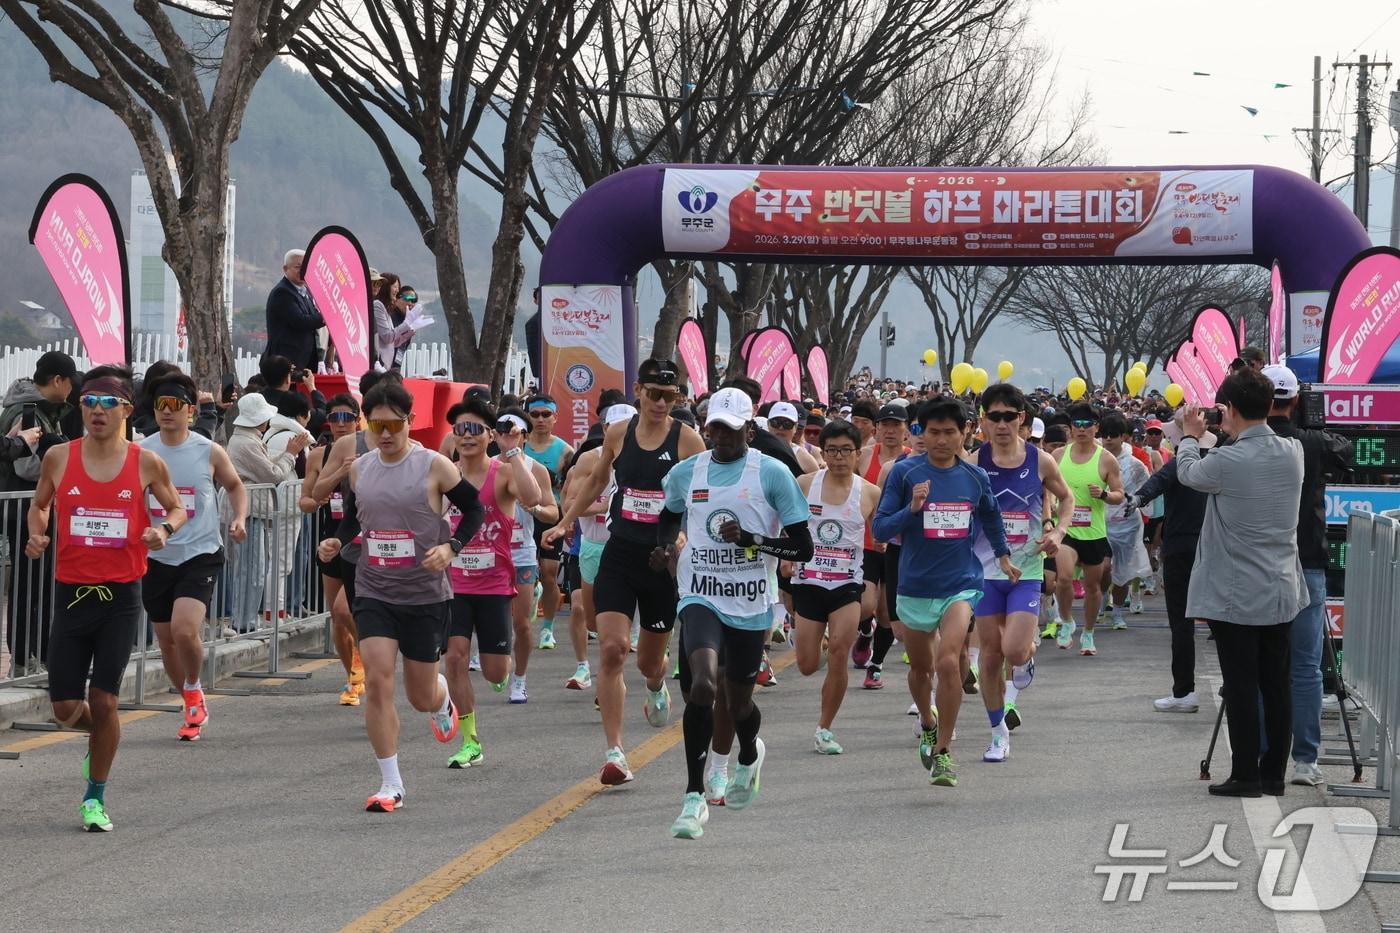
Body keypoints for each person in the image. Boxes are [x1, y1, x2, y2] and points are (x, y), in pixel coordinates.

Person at [27, 366, 188, 831]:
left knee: (105, 701)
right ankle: (100, 742)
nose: (96, 412)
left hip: (120, 596)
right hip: (71, 594)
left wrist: (163, 529)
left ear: (125, 410)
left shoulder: (145, 462)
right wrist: (37, 534)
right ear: (80, 407)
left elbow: (176, 506)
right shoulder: (59, 457)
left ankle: (94, 796)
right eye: (89, 402)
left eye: (107, 403)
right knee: (64, 709)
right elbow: (39, 505)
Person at [318, 376, 486, 811]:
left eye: (395, 425)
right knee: (377, 678)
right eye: (377, 427)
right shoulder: (360, 468)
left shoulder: (434, 466)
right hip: (374, 589)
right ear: (367, 426)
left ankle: (442, 697)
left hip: (425, 594)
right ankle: (390, 782)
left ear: (411, 421)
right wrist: (338, 540)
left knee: (418, 694)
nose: (387, 435)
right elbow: (355, 518)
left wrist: (451, 547)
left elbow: (474, 510)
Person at [542, 359, 706, 786]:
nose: (661, 403)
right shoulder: (619, 433)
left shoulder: (687, 440)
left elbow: (704, 498)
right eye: (654, 393)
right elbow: (596, 482)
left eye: (670, 396)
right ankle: (616, 753)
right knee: (613, 649)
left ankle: (654, 684)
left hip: (661, 564)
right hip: (619, 554)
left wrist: (684, 536)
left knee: (651, 662)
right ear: (638, 390)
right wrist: (565, 522)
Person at [660, 387, 812, 838]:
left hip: (750, 601)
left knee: (738, 699)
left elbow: (802, 547)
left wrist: (752, 540)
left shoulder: (772, 474)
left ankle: (750, 752)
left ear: (750, 427)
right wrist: (667, 546)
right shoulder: (689, 472)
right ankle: (693, 797)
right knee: (703, 685)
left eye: (730, 429)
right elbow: (668, 516)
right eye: (714, 429)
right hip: (699, 591)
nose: (721, 437)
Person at [1176, 369, 1309, 797]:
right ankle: (1273, 774)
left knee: (1240, 684)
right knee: (1276, 682)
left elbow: (1189, 474)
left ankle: (1245, 774)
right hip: (1282, 587)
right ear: (1271, 406)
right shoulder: (1293, 451)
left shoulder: (1225, 461)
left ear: (1229, 409)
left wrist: (1189, 435)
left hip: (1235, 593)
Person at [873, 398, 1017, 788]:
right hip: (916, 587)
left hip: (961, 583)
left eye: (949, 432)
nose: (941, 439)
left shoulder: (974, 477)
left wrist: (1003, 556)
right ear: (920, 432)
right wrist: (913, 508)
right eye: (933, 431)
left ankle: (945, 752)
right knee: (920, 670)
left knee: (949, 662)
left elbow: (990, 515)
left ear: (965, 433)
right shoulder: (904, 474)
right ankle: (928, 722)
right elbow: (881, 530)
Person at [140, 369, 249, 741]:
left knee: (186, 630)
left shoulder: (208, 450)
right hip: (157, 555)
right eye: (161, 406)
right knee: (166, 640)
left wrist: (239, 517)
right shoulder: (143, 452)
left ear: (190, 411)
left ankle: (194, 682)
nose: (167, 412)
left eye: (175, 405)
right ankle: (189, 696)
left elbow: (235, 486)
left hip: (201, 552)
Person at [1262, 364, 1353, 787]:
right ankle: (1305, 761)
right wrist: (1312, 422)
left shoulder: (1244, 442)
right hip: (1309, 561)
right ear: (1296, 399)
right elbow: (1345, 451)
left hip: (1260, 565)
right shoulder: (1312, 443)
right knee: (1305, 667)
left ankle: (1262, 754)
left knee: (1262, 664)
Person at [441, 397, 543, 768]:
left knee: (496, 672)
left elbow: (533, 499)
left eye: (474, 429)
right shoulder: (446, 474)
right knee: (454, 658)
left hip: (496, 585)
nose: (466, 437)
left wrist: (513, 454)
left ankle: (501, 671)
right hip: (453, 585)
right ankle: (470, 741)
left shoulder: (502, 473)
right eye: (459, 430)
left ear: (489, 435)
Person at [972, 385, 1074, 757]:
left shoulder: (1040, 460)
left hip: (1027, 569)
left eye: (1008, 417)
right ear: (983, 420)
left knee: (1013, 651)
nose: (1001, 424)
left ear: (1021, 420)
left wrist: (1058, 531)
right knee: (990, 654)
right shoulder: (973, 461)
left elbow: (1068, 497)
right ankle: (998, 731)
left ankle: (1027, 655)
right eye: (993, 416)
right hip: (984, 572)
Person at [790, 419, 879, 755]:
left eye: (846, 450)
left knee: (841, 652)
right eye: (832, 450)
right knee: (807, 665)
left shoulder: (870, 492)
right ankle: (822, 641)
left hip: (847, 584)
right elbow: (787, 525)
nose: (839, 457)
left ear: (858, 454)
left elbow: (882, 537)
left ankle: (825, 728)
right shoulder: (804, 484)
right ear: (823, 453)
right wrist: (786, 574)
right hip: (808, 582)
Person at [1, 350, 82, 674]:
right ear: (58, 380)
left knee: (39, 586)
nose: (72, 390)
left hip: (36, 506)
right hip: (25, 510)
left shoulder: (43, 410)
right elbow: (26, 463)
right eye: (70, 383)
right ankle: (22, 659)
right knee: (27, 587)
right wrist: (60, 462)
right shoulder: (28, 411)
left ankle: (34, 655)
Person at [1130, 420, 1213, 713]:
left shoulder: (1179, 464)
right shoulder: (1218, 461)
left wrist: (1137, 498)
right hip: (1215, 551)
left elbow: (1154, 485)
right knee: (1224, 623)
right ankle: (1236, 686)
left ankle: (1184, 692)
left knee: (1182, 624)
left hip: (1180, 550)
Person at [299, 393, 365, 705]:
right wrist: (337, 475)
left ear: (358, 419)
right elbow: (306, 500)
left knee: (344, 609)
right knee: (337, 618)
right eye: (335, 418)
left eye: (347, 418)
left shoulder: (369, 453)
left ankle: (363, 663)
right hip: (330, 539)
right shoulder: (318, 456)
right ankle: (351, 677)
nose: (340, 425)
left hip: (358, 540)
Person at [225, 393, 308, 633]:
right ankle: (244, 622)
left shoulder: (247, 439)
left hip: (254, 511)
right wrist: (291, 454)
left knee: (255, 569)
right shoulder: (246, 443)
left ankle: (246, 620)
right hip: (249, 512)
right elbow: (273, 475)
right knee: (252, 570)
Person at [1050, 403, 1124, 656]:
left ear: (1096, 428)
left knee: (1092, 587)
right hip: (1066, 529)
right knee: (1063, 578)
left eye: (1087, 425)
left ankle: (1089, 633)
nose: (1081, 430)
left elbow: (1119, 494)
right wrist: (1049, 514)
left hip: (1093, 532)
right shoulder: (1059, 455)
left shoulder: (1106, 459)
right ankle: (1067, 620)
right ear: (1071, 428)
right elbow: (1046, 488)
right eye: (1076, 425)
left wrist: (1104, 494)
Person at [852, 403, 912, 687]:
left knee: (888, 613)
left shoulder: (914, 460)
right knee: (865, 605)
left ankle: (875, 665)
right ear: (876, 428)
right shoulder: (863, 456)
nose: (890, 431)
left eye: (896, 425)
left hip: (896, 545)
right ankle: (865, 631)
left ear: (907, 430)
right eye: (884, 425)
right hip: (864, 542)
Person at [523, 394, 574, 653]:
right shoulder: (519, 446)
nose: (540, 419)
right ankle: (528, 603)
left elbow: (571, 490)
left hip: (551, 517)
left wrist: (566, 521)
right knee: (526, 574)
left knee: (550, 572)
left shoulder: (565, 451)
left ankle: (548, 628)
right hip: (521, 517)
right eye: (535, 414)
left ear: (556, 417)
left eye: (546, 414)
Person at [263, 249, 324, 371]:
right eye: (298, 267)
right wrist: (326, 316)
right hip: (287, 362)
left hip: (305, 359)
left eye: (306, 266)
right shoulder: (282, 292)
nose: (303, 270)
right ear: (285, 269)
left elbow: (313, 315)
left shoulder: (307, 290)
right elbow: (300, 321)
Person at [371, 271, 416, 371]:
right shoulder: (378, 305)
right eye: (395, 286)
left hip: (385, 366)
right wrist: (406, 324)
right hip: (379, 365)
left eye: (398, 287)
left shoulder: (386, 309)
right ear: (386, 287)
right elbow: (387, 337)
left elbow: (392, 342)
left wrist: (408, 334)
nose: (397, 290)